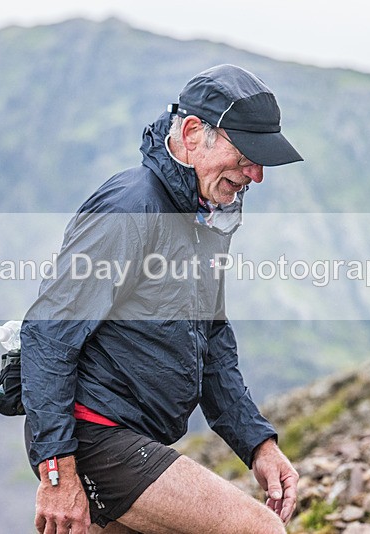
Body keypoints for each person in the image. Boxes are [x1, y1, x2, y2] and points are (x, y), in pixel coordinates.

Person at [21, 64, 303, 534]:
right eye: (246, 154)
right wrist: (57, 472)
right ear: (193, 134)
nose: (255, 174)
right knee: (260, 531)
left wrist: (258, 444)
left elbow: (209, 342)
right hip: (95, 437)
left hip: (133, 436)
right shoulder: (131, 208)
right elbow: (48, 335)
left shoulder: (206, 213)